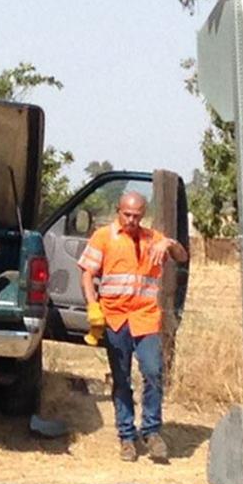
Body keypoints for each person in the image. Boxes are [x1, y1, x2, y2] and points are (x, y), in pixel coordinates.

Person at [77, 191, 187, 463]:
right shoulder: (104, 237)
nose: (131, 220)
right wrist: (93, 306)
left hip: (146, 317)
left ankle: (151, 431)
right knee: (121, 378)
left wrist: (170, 244)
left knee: (153, 371)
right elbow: (87, 273)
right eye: (127, 215)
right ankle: (127, 437)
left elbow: (182, 256)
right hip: (115, 318)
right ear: (118, 211)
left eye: (137, 216)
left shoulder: (153, 238)